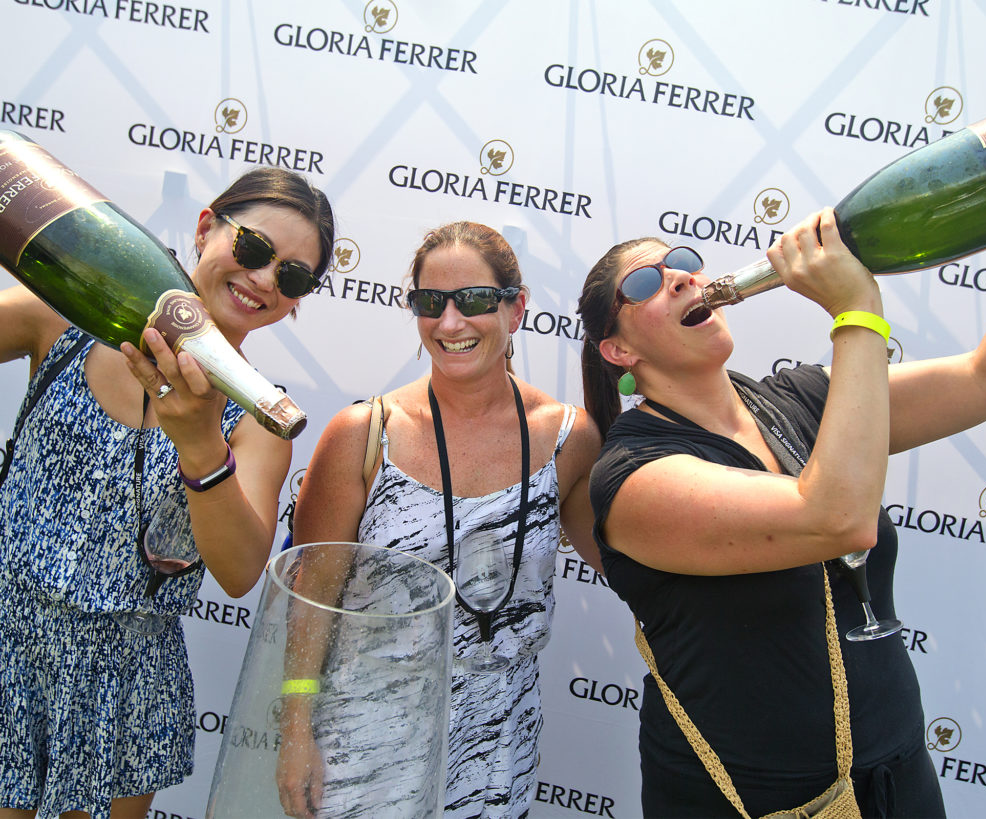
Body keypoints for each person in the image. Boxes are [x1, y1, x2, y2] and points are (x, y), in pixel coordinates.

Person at [574, 206, 986, 816]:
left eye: (680, 263)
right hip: (755, 801)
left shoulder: (804, 397)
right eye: (645, 284)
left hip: (898, 772)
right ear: (618, 349)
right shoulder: (633, 477)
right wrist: (856, 312)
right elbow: (836, 519)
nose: (678, 277)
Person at [0, 167, 335, 819]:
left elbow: (239, 572)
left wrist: (201, 442)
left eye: (292, 276)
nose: (265, 279)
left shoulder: (259, 424)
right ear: (207, 226)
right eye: (255, 249)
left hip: (123, 683)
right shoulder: (66, 319)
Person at [276, 221, 602, 818]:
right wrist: (296, 728)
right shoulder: (363, 434)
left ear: (517, 307)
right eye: (431, 303)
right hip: (364, 733)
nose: (450, 324)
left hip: (499, 738)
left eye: (474, 300)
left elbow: (620, 558)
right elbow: (311, 594)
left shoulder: (569, 438)